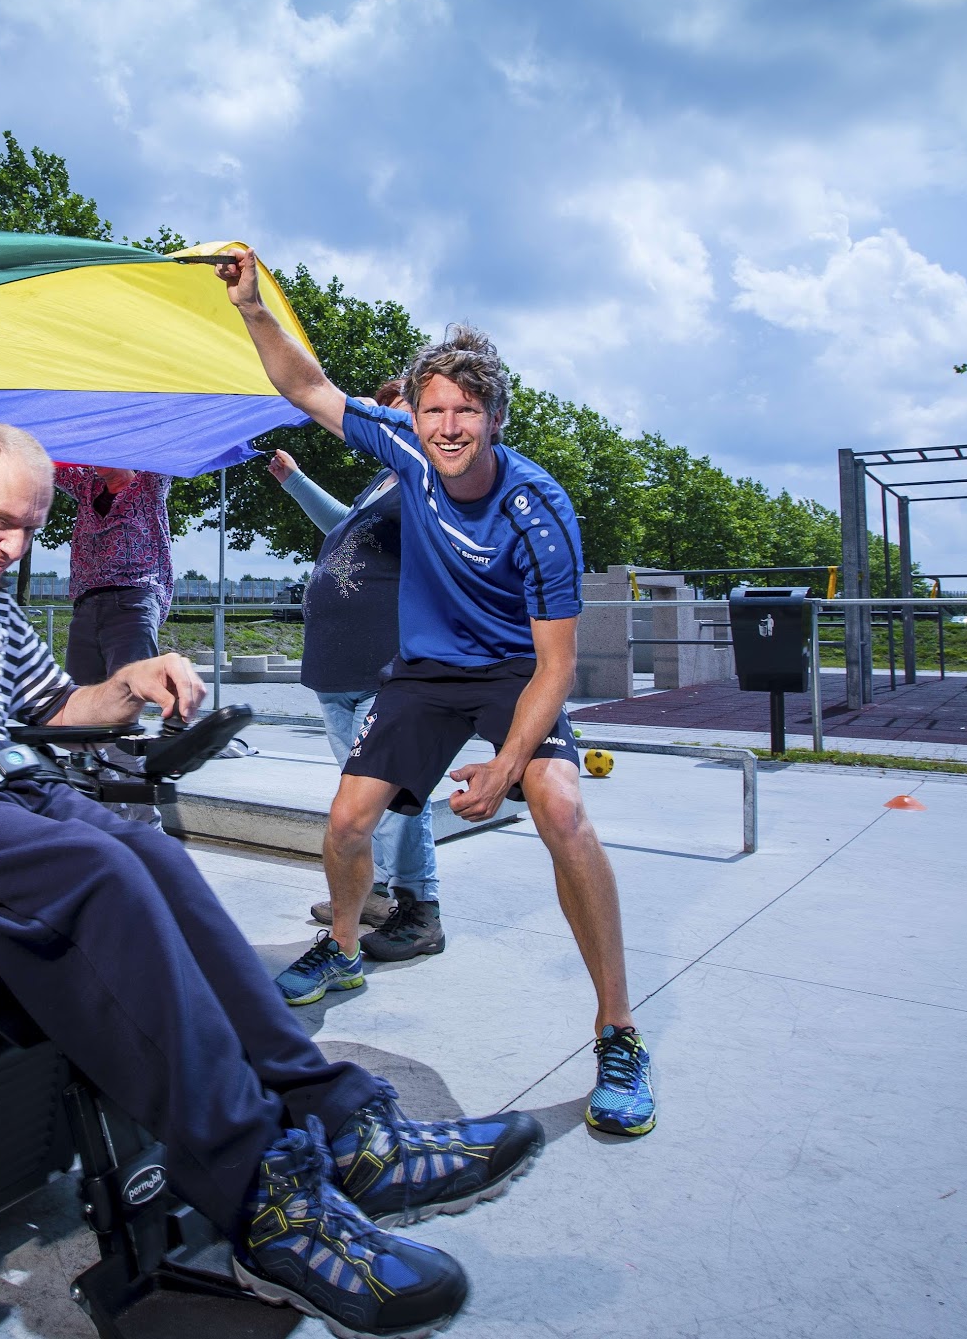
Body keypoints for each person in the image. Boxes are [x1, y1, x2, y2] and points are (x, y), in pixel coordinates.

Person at [0, 422, 541, 1339]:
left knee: (155, 854)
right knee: (103, 867)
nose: (18, 547)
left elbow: (60, 709)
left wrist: (136, 680)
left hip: (11, 785)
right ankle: (259, 1189)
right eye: (1, 522)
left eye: (33, 529)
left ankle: (342, 1121)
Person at [220, 249, 657, 1138]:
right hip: (422, 670)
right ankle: (344, 949)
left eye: (466, 410)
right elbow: (308, 387)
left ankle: (619, 1030)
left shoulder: (540, 510)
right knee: (347, 821)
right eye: (433, 410)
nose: (449, 426)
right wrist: (254, 309)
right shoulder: (404, 454)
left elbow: (555, 666)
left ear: (494, 416)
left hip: (511, 673)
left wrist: (506, 765)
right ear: (412, 415)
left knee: (563, 808)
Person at [267, 416, 444, 963]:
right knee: (359, 800)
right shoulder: (383, 481)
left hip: (384, 668)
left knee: (391, 796)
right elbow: (346, 530)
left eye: (395, 412)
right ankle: (380, 895)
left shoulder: (430, 481)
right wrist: (296, 481)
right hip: (336, 671)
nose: (378, 422)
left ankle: (420, 911)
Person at [56, 462, 173, 681]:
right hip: (87, 604)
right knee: (82, 697)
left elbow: (167, 446)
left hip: (133, 600)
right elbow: (46, 461)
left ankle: (177, 712)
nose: (97, 459)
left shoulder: (148, 486)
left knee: (126, 693)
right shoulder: (86, 485)